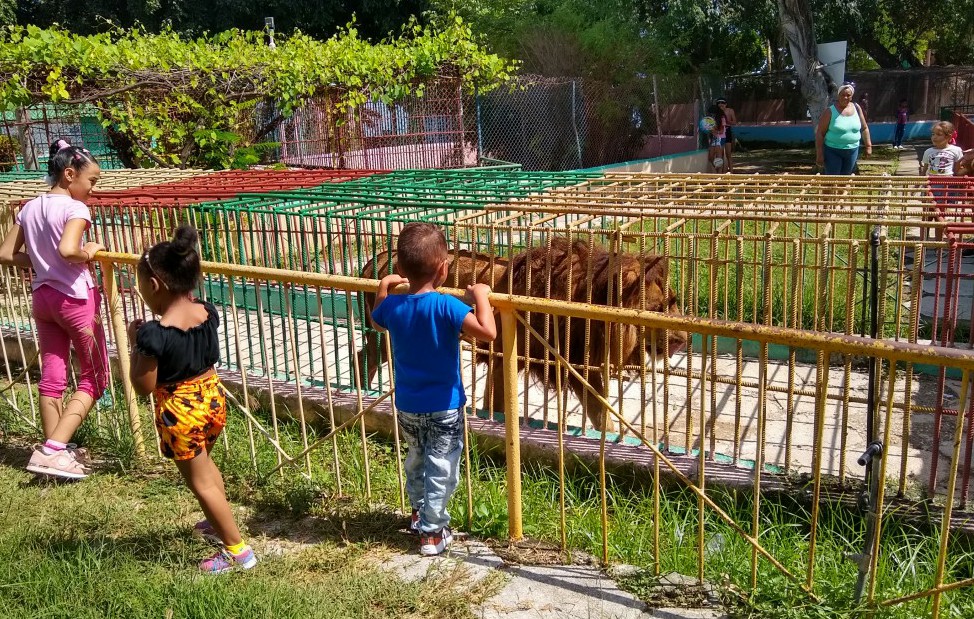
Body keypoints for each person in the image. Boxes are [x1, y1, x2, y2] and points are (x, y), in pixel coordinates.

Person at [128, 225, 258, 574]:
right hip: (212, 400)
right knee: (207, 469)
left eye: (141, 286)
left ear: (155, 285)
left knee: (199, 482)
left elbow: (143, 384)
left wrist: (135, 345)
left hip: (180, 413)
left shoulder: (155, 335)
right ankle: (219, 522)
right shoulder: (206, 312)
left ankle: (237, 552)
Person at [370, 222, 496, 556]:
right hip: (444, 407)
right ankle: (432, 531)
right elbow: (487, 332)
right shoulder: (447, 306)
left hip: (408, 405)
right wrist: (480, 297)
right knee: (442, 468)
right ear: (443, 269)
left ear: (400, 269)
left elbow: (376, 319)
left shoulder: (394, 307)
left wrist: (383, 286)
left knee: (416, 460)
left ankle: (418, 513)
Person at [0, 139, 108, 480]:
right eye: (91, 181)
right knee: (95, 377)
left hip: (42, 298)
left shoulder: (29, 208)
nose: (92, 190)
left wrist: (39, 262)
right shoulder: (76, 210)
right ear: (69, 175)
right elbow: (68, 249)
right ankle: (54, 450)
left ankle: (51, 452)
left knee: (53, 377)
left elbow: (5, 254)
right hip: (75, 300)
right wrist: (88, 252)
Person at [920, 122, 966, 240]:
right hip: (931, 185)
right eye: (933, 134)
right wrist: (918, 184)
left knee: (940, 215)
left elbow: (957, 171)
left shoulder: (956, 150)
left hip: (946, 186)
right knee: (927, 215)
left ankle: (938, 244)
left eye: (938, 134)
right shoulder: (928, 152)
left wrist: (966, 173)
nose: (934, 137)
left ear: (948, 137)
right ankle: (924, 242)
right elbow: (924, 171)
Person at [815, 83, 873, 175]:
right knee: (831, 181)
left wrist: (868, 146)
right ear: (838, 95)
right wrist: (819, 154)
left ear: (852, 96)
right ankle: (828, 190)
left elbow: (864, 128)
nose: (845, 97)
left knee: (845, 179)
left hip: (852, 151)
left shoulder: (857, 108)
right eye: (843, 95)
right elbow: (820, 133)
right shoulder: (829, 111)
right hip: (833, 151)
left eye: (848, 95)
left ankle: (842, 190)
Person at [716, 98, 738, 172]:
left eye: (722, 102)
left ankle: (731, 171)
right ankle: (721, 172)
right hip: (720, 132)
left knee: (728, 153)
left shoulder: (730, 110)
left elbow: (734, 122)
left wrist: (726, 121)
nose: (721, 104)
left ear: (726, 104)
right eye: (719, 103)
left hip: (727, 131)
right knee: (720, 154)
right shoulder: (717, 112)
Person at [705, 105, 727, 173]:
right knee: (711, 157)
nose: (711, 115)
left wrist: (714, 131)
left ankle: (719, 175)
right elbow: (708, 129)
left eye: (712, 113)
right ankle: (717, 170)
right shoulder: (710, 119)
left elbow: (722, 131)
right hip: (713, 139)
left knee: (719, 158)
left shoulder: (722, 118)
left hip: (719, 139)